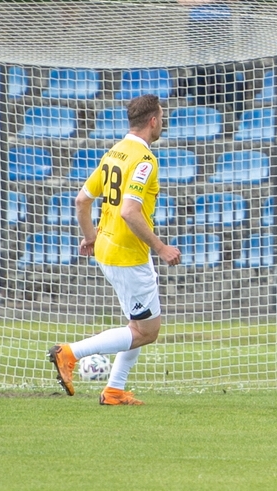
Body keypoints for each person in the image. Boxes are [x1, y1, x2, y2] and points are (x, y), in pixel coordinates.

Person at [48, 94, 181, 405]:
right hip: (128, 255)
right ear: (153, 121)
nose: (162, 122)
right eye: (161, 117)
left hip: (107, 247)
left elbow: (82, 201)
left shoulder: (114, 153)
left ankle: (114, 390)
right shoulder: (144, 161)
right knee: (147, 331)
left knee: (135, 324)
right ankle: (70, 353)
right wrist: (161, 247)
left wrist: (90, 237)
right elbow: (129, 211)